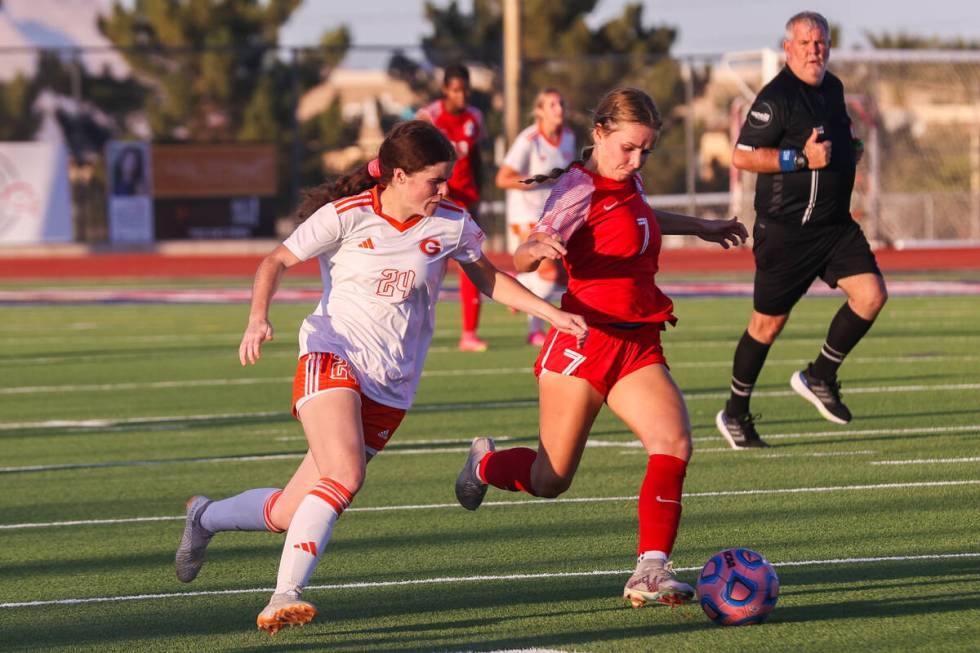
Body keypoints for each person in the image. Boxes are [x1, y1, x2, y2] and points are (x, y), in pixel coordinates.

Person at [173, 120, 587, 635]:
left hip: (390, 388)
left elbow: (490, 280)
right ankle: (284, 596)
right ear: (397, 175)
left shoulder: (451, 223)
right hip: (331, 354)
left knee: (289, 510)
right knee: (345, 476)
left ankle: (204, 517)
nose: (445, 190)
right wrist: (258, 316)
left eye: (448, 179)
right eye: (434, 180)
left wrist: (553, 315)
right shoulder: (346, 216)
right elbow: (274, 261)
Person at [452, 88, 748, 608]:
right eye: (628, 148)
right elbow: (524, 252)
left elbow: (641, 218)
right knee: (550, 479)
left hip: (636, 342)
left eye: (646, 151)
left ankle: (649, 570)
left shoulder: (627, 179)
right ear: (599, 134)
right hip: (583, 341)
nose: (636, 160)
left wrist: (702, 226)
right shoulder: (575, 189)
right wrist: (532, 250)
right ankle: (484, 465)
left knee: (674, 442)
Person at [715, 11, 888, 449]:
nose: (815, 49)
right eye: (806, 43)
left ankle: (819, 375)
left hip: (834, 227)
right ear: (788, 48)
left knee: (871, 295)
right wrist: (799, 160)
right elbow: (742, 155)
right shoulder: (776, 98)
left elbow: (833, 140)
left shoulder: (833, 87)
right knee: (767, 325)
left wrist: (850, 150)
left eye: (822, 42)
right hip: (787, 231)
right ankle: (734, 413)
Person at [417, 64, 490, 352]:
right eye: (456, 90)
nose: (462, 96)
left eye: (465, 90)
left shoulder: (475, 117)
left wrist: (478, 195)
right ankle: (418, 326)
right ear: (446, 89)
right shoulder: (430, 116)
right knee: (427, 263)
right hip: (438, 198)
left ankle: (469, 333)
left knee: (473, 261)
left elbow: (476, 159)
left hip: (466, 200)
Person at [496, 88, 577, 346]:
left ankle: (518, 288)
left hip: (553, 215)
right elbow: (503, 178)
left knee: (561, 275)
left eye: (561, 103)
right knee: (549, 272)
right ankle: (535, 330)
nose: (559, 109)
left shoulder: (569, 138)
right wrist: (535, 181)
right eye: (552, 105)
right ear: (539, 111)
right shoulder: (529, 140)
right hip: (527, 214)